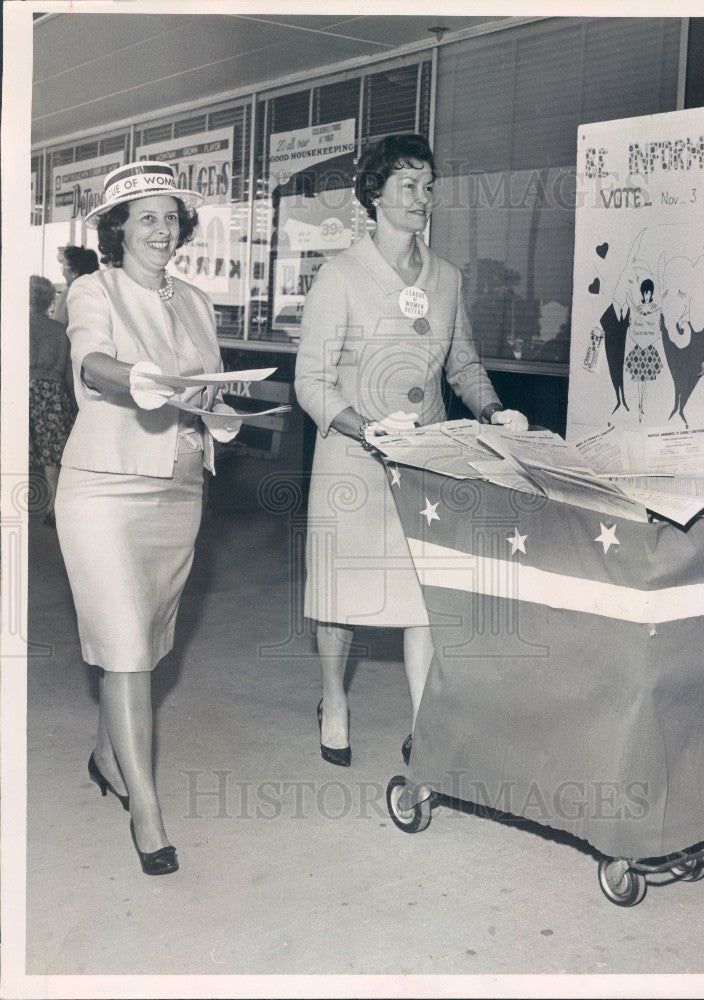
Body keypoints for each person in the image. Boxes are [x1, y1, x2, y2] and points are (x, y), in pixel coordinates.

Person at [294, 133, 528, 768]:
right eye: (408, 186)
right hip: (353, 457)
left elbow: (465, 365)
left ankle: (425, 723)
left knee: (421, 597)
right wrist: (364, 427)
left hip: (423, 460)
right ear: (373, 195)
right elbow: (310, 382)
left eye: (428, 187)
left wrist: (491, 409)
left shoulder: (446, 277)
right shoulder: (339, 275)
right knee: (340, 595)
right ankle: (334, 700)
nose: (423, 199)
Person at [54, 161, 240, 875]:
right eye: (148, 217)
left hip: (178, 490)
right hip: (104, 488)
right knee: (124, 642)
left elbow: (209, 387)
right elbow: (92, 363)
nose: (164, 229)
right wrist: (136, 379)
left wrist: (223, 417)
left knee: (142, 644)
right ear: (118, 229)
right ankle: (146, 807)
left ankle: (107, 756)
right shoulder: (92, 289)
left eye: (172, 216)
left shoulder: (196, 300)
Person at [29, 275, 76, 524]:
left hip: (25, 388)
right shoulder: (60, 330)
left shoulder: (18, 324)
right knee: (51, 454)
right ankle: (53, 505)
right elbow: (69, 373)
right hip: (53, 394)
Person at [52, 245, 100, 326]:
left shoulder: (68, 294)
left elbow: (56, 328)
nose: (63, 273)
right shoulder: (98, 291)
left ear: (75, 272)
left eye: (64, 268)